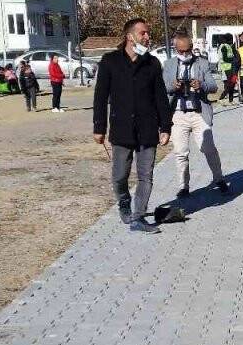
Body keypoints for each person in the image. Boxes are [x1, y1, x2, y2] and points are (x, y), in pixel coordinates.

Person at [93, 17, 173, 233]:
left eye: (147, 33)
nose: (147, 37)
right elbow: (100, 97)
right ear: (130, 36)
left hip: (147, 129)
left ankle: (138, 217)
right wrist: (99, 127)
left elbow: (160, 98)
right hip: (121, 129)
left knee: (146, 175)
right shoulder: (110, 61)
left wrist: (166, 126)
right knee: (120, 176)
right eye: (143, 33)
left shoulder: (152, 63)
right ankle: (124, 202)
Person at [164, 28, 229, 199]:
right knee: (180, 152)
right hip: (178, 114)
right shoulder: (169, 64)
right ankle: (183, 186)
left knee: (209, 149)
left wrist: (201, 85)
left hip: (199, 112)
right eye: (181, 51)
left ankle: (219, 178)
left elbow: (214, 86)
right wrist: (173, 86)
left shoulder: (202, 63)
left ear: (192, 47)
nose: (185, 54)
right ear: (175, 48)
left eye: (188, 50)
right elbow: (163, 88)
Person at [217, 33, 238, 105]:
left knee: (232, 83)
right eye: (230, 39)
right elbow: (225, 58)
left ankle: (231, 100)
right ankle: (221, 98)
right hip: (226, 67)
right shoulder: (223, 47)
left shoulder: (229, 46)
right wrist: (234, 59)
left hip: (231, 67)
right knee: (230, 84)